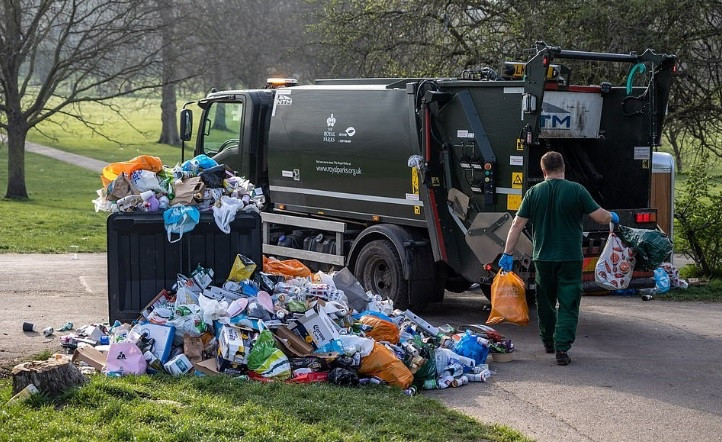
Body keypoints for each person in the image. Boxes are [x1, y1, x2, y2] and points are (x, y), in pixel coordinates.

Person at [498, 151, 618, 365]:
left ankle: (548, 342)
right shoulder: (576, 190)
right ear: (563, 168)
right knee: (568, 301)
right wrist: (612, 217)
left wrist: (507, 253)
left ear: (543, 170)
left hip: (543, 257)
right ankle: (562, 348)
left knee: (545, 300)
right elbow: (600, 217)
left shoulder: (533, 193)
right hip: (570, 257)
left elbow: (517, 225)